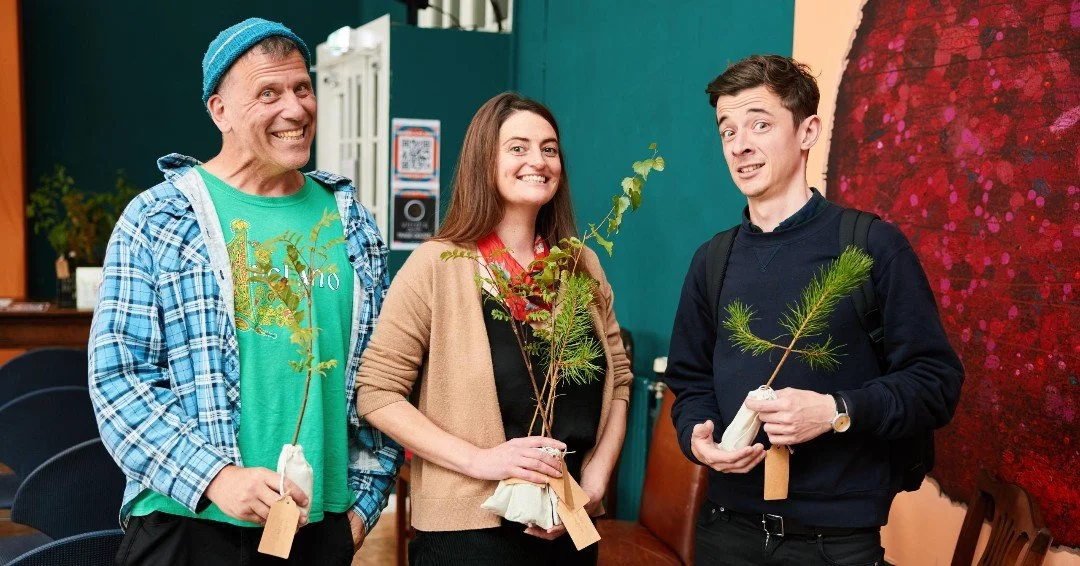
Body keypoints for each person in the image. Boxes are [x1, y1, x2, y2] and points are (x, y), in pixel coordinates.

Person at [88, 17, 402, 565]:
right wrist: (215, 477)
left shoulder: (350, 223)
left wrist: (362, 508)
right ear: (220, 111)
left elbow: (386, 374)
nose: (295, 109)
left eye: (302, 88)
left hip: (316, 530)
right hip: (186, 526)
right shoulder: (160, 219)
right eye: (268, 93)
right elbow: (118, 379)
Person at [664, 55, 964, 565]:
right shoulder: (712, 260)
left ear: (808, 132)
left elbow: (936, 382)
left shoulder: (872, 247)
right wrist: (698, 437)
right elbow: (690, 383)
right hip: (723, 532)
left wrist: (835, 411)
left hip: (836, 545)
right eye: (727, 130)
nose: (740, 145)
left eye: (760, 124)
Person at [356, 92, 631, 565]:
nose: (538, 161)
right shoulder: (436, 265)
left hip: (570, 524)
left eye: (549, 148)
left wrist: (593, 486)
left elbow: (620, 383)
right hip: (468, 534)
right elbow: (376, 393)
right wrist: (479, 460)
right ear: (485, 161)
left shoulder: (581, 263)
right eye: (518, 148)